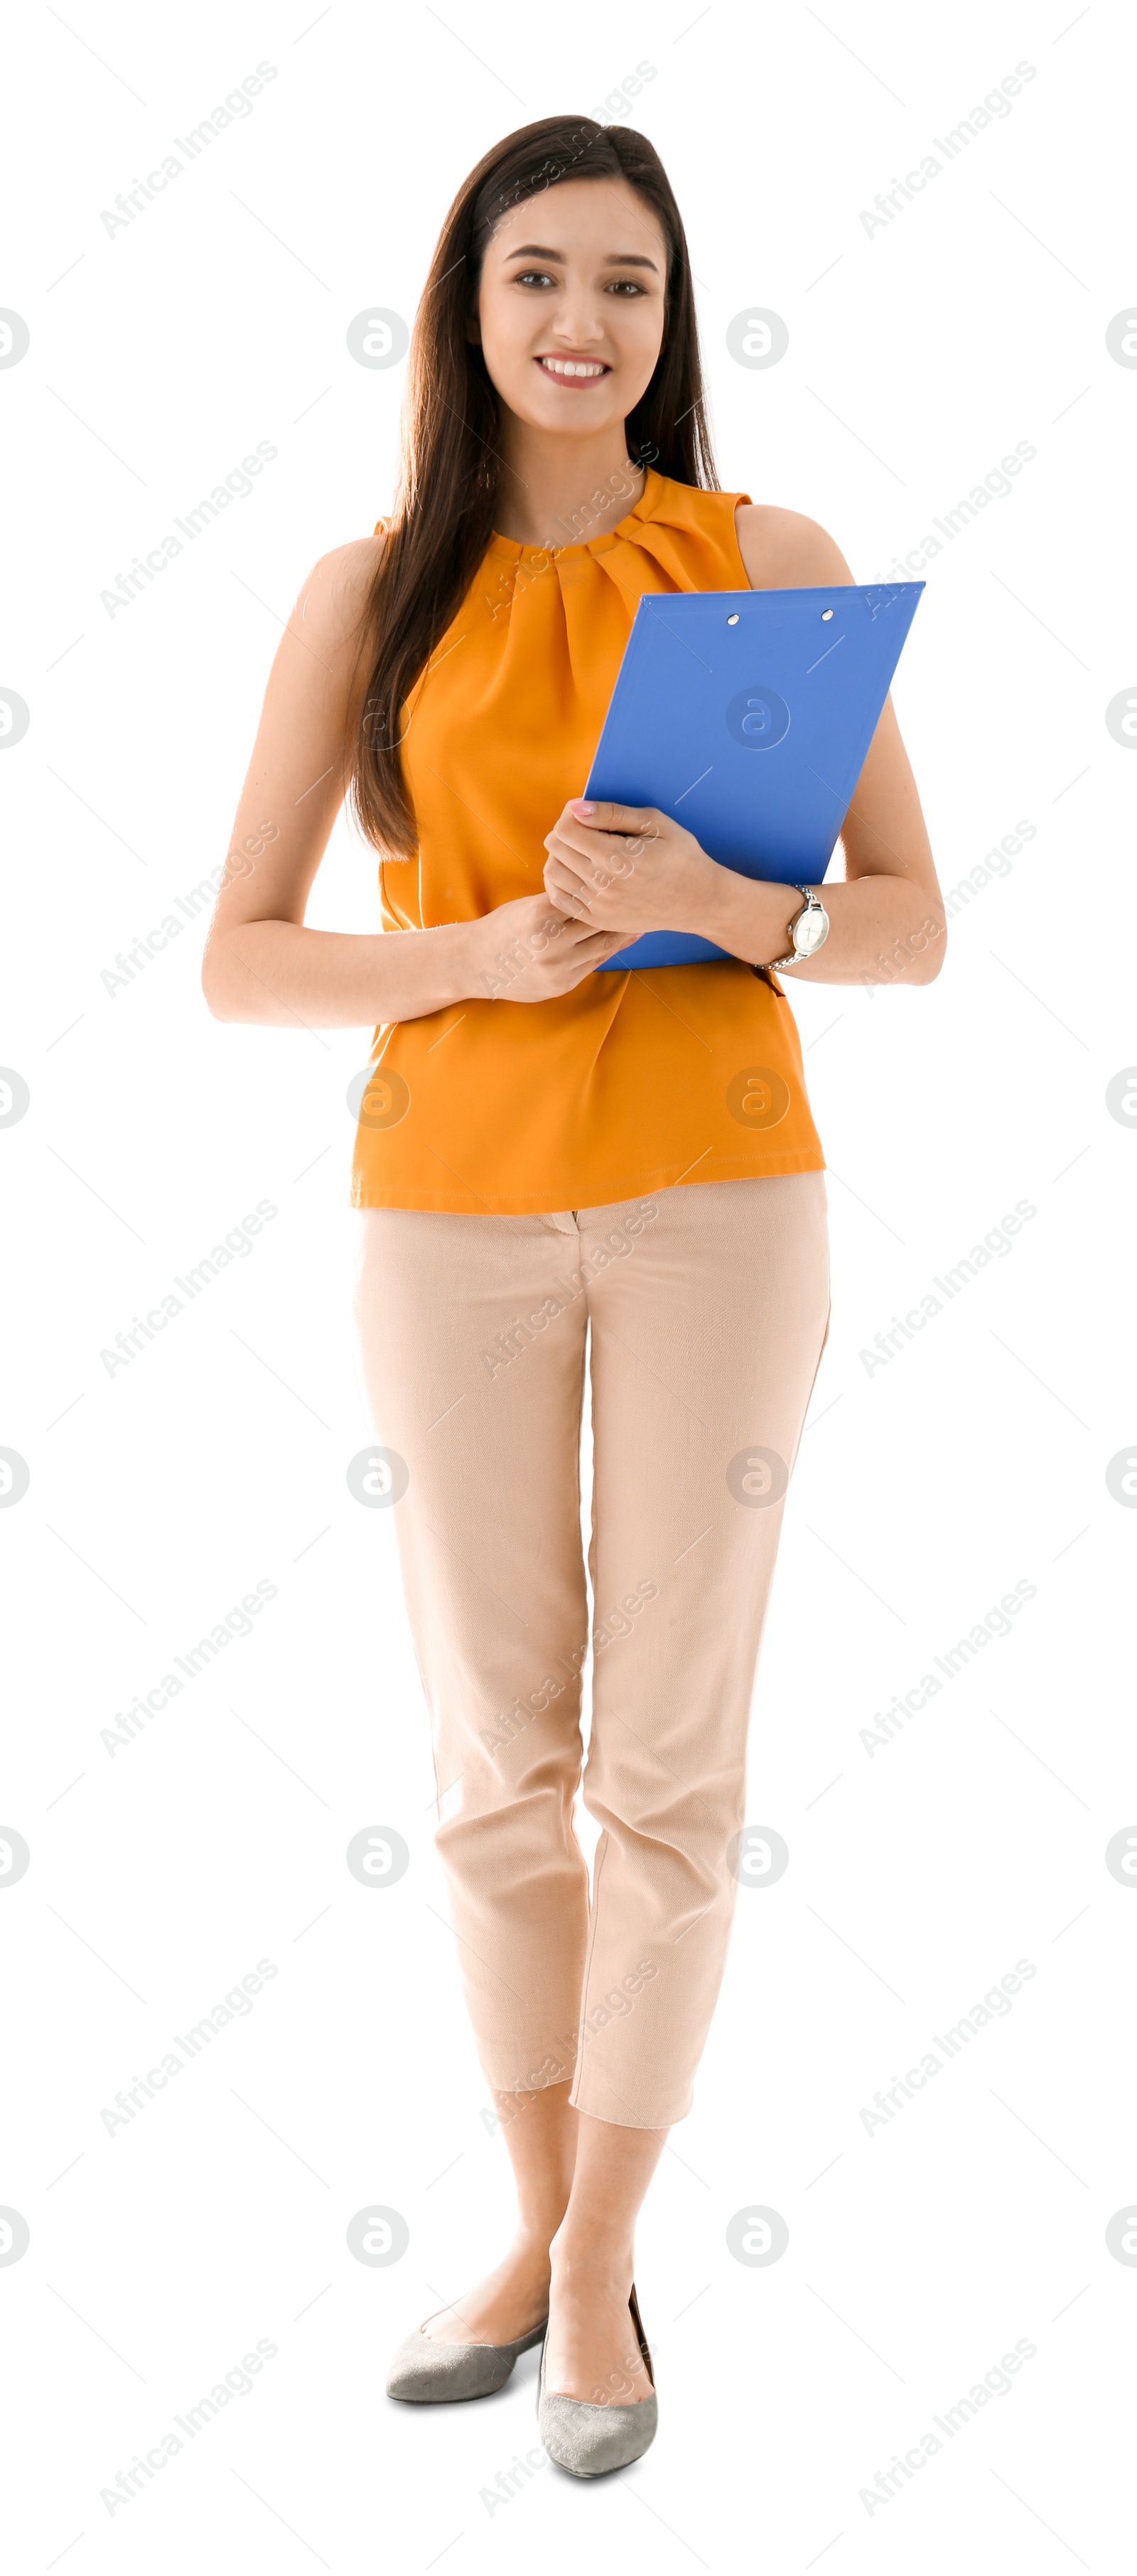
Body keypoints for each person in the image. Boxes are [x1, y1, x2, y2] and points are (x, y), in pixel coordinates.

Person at [203, 113, 944, 2479]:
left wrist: (738, 914)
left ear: (669, 317)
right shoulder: (369, 590)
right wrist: (486, 949)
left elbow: (913, 921)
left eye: (627, 283)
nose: (581, 323)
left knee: (670, 1763)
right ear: (466, 302)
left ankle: (603, 2259)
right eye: (539, 274)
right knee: (494, 1764)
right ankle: (544, 2234)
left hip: (724, 1200)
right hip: (452, 1210)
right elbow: (237, 961)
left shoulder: (767, 565)